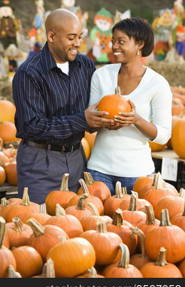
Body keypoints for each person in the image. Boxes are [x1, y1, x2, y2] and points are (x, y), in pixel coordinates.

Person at [13, 8, 113, 204]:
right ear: (51, 36)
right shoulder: (29, 73)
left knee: (75, 224)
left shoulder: (85, 66)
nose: (77, 43)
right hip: (40, 161)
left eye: (80, 37)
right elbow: (32, 126)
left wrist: (104, 119)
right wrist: (82, 120)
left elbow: (91, 115)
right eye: (71, 38)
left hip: (77, 157)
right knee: (41, 224)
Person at [87, 17, 172, 195]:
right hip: (99, 170)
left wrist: (136, 120)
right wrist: (101, 121)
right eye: (113, 42)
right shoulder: (100, 76)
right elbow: (90, 126)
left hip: (137, 174)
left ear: (139, 44)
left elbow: (163, 136)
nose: (115, 47)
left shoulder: (157, 84)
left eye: (121, 42)